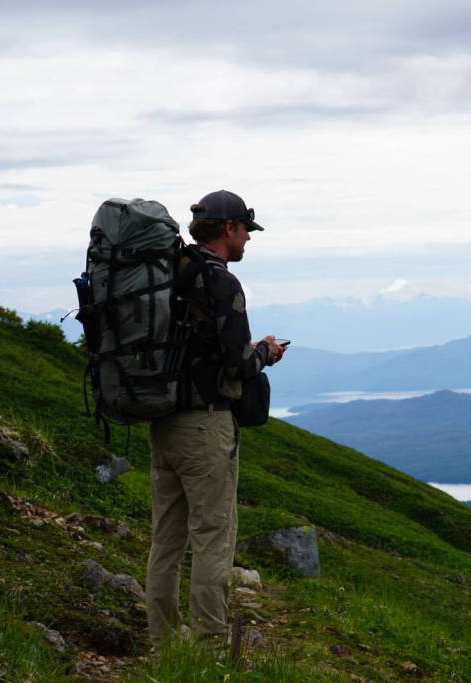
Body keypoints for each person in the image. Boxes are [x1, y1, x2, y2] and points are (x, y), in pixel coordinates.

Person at [145, 189, 285, 649]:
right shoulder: (221, 282)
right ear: (228, 229)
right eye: (246, 230)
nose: (248, 239)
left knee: (165, 540)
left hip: (164, 421)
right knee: (211, 539)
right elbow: (235, 363)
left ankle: (164, 643)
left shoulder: (170, 273)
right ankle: (207, 649)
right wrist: (264, 352)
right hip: (205, 426)